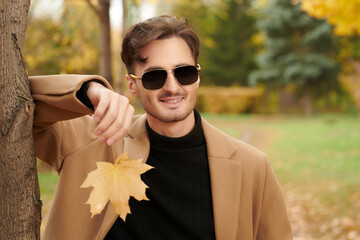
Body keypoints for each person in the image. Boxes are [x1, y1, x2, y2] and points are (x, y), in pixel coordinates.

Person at [30, 15, 292, 240]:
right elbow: (19, 106)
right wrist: (90, 89)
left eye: (184, 72)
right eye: (154, 76)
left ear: (197, 76)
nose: (172, 87)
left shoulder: (253, 166)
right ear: (132, 85)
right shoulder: (93, 140)